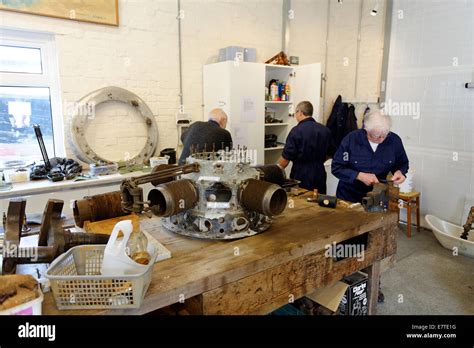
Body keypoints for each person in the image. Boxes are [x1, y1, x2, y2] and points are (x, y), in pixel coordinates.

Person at [331, 110, 409, 203]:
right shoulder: (351, 140)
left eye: (385, 135)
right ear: (366, 129)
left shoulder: (394, 141)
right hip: (349, 198)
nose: (381, 140)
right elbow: (337, 167)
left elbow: (402, 163)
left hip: (378, 198)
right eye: (377, 136)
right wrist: (359, 176)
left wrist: (400, 172)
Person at [278, 101, 333, 193]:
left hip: (300, 174)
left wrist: (276, 171)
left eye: (295, 112)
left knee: (301, 202)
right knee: (318, 202)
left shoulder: (296, 131)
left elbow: (286, 159)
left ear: (300, 112)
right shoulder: (325, 130)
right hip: (319, 174)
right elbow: (331, 153)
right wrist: (318, 161)